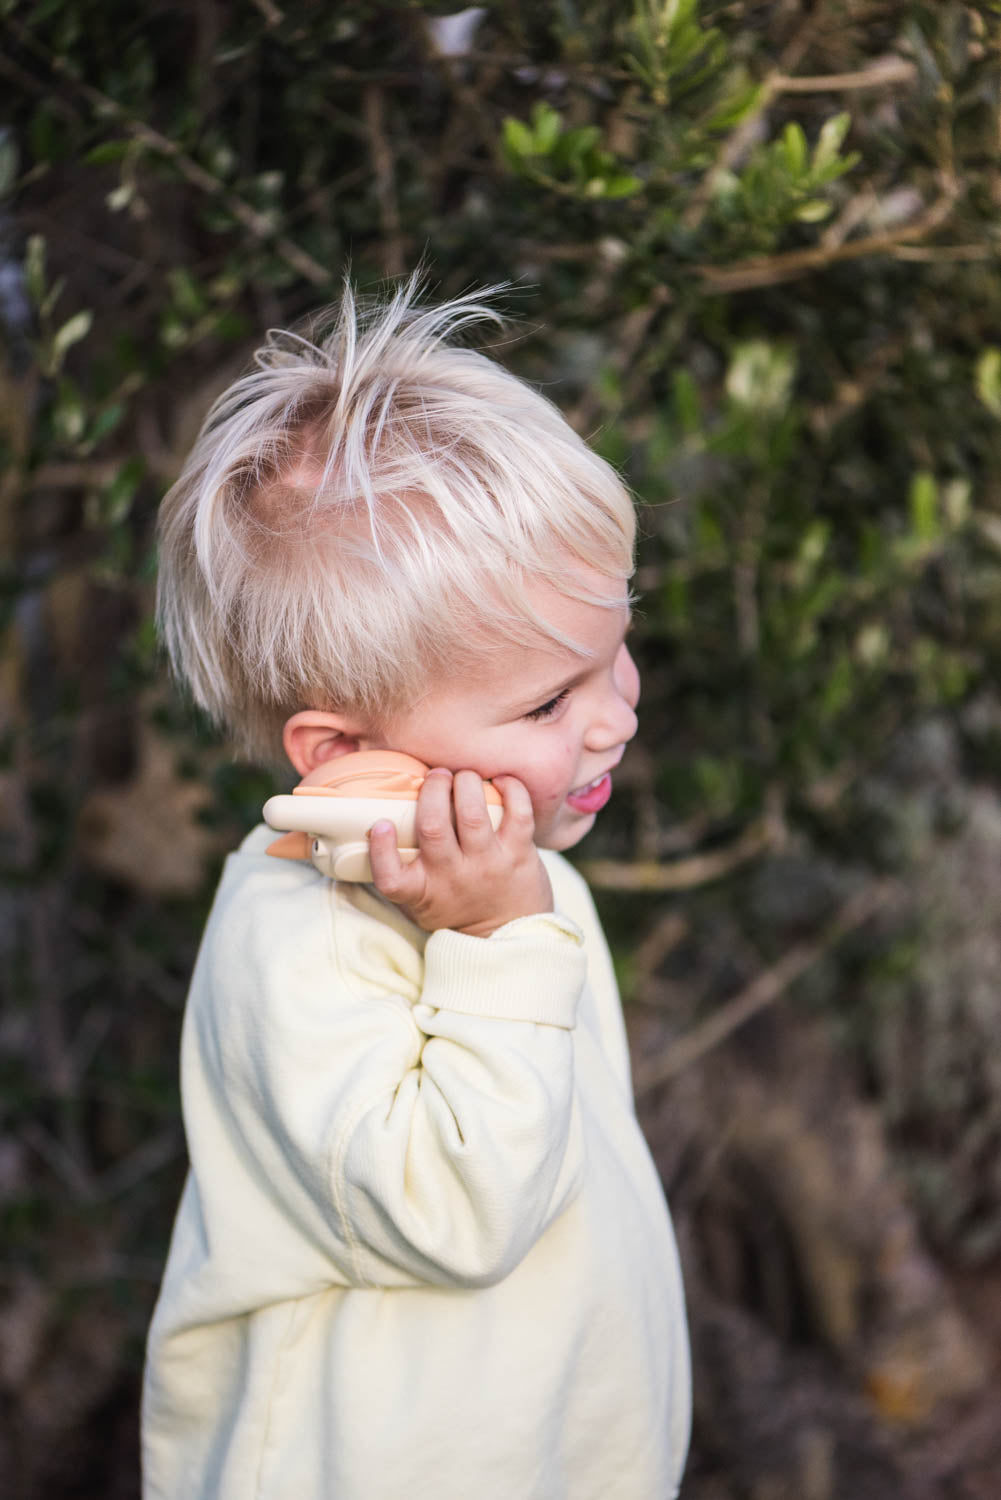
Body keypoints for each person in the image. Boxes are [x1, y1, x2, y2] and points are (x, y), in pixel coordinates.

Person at [143, 277, 691, 1500]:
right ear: (344, 758)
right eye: (550, 700)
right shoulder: (303, 949)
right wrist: (497, 938)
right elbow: (457, 1215)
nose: (616, 715)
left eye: (614, 645)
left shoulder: (524, 887)